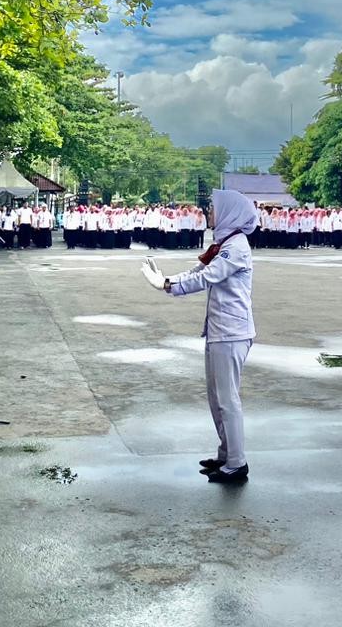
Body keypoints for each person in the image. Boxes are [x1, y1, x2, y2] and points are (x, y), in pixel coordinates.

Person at [147, 189, 256, 485]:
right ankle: (226, 454)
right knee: (217, 397)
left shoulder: (236, 247)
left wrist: (168, 287)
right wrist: (168, 280)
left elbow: (208, 277)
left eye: (213, 208)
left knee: (227, 400)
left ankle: (237, 463)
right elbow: (198, 270)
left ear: (230, 213)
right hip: (220, 330)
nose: (209, 212)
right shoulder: (224, 244)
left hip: (231, 333)